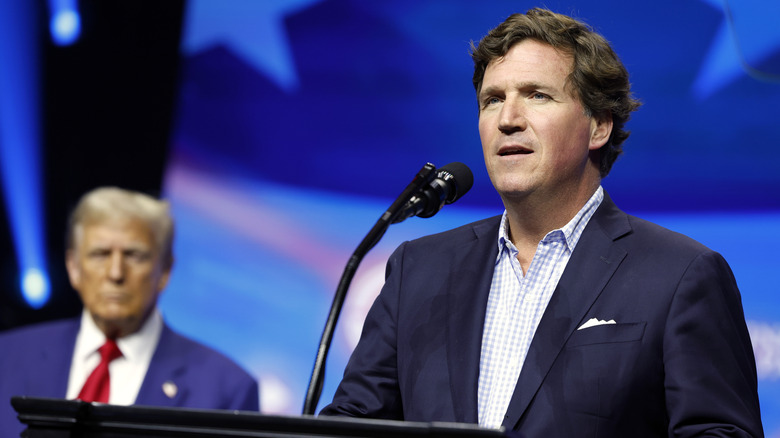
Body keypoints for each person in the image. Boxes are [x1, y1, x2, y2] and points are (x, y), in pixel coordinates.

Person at [320, 7, 764, 437]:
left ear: (599, 126)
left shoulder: (681, 275)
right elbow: (351, 423)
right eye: (492, 100)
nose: (508, 120)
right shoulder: (418, 269)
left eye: (537, 95)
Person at [0, 187, 259, 437]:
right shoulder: (7, 356)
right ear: (73, 267)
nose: (116, 273)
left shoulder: (227, 389)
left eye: (134, 255)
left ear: (165, 270)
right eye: (100, 254)